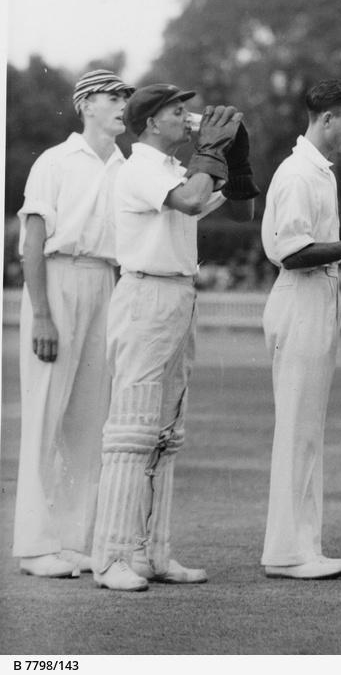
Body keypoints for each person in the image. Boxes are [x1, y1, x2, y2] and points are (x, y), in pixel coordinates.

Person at [90, 84, 257, 591]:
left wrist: (238, 154)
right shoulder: (139, 165)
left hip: (177, 295)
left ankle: (153, 552)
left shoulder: (172, 170)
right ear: (151, 122)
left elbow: (238, 211)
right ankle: (112, 557)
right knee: (131, 432)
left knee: (166, 433)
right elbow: (188, 202)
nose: (187, 118)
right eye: (177, 112)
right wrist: (210, 149)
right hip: (145, 296)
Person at [260, 80, 341, 579]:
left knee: (308, 430)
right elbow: (292, 252)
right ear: (328, 119)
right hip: (300, 297)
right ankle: (287, 552)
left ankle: (302, 547)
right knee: (297, 429)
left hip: (319, 296)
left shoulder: (320, 173)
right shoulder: (297, 174)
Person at [13, 70, 134, 579]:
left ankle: (70, 538)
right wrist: (42, 313)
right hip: (58, 284)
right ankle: (34, 545)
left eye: (126, 98)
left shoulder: (128, 167)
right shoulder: (55, 161)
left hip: (106, 282)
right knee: (44, 414)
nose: (122, 105)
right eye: (113, 98)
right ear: (86, 105)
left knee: (90, 420)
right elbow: (32, 243)